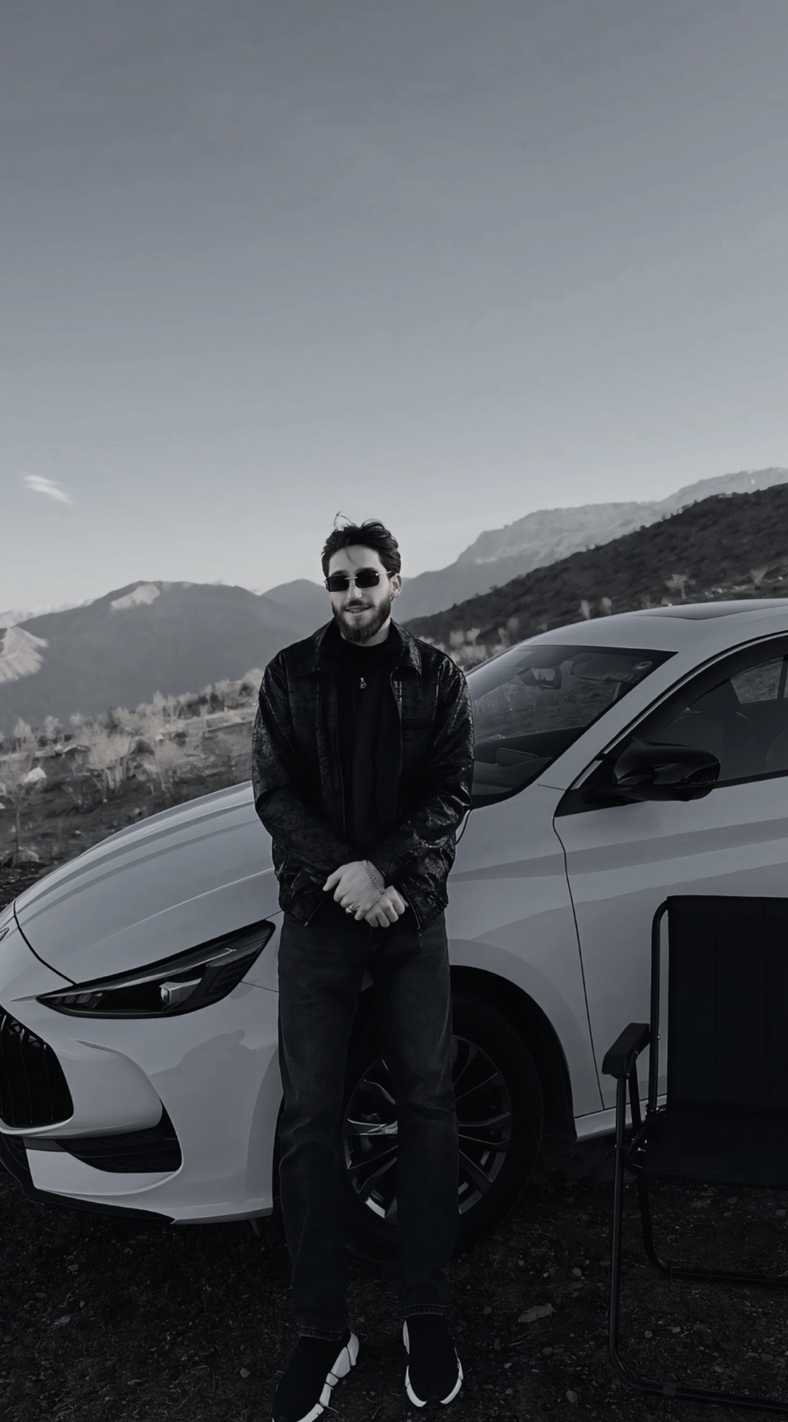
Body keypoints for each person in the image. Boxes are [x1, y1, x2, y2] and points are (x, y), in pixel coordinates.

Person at [251, 518, 474, 1421]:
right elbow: (275, 795)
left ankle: (426, 1312)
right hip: (320, 918)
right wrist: (347, 876)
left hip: (408, 915)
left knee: (429, 1104)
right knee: (309, 1119)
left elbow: (452, 792)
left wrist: (383, 874)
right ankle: (321, 1330)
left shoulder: (439, 677)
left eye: (366, 576)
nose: (352, 592)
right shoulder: (288, 676)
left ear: (395, 582)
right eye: (339, 579)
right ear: (328, 588)